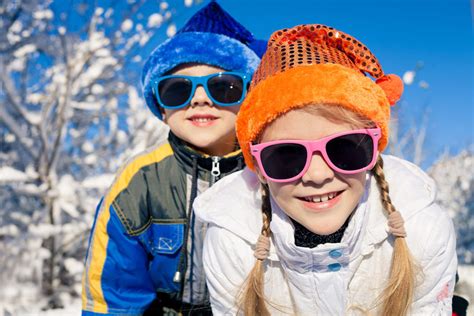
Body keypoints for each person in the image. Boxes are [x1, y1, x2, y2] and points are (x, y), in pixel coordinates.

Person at [194, 24, 458, 315]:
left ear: (374, 148)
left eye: (344, 149)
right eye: (285, 156)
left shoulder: (422, 227)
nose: (317, 175)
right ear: (258, 167)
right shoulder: (233, 239)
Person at [81, 2, 265, 315]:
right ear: (162, 109)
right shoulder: (140, 181)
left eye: (224, 86)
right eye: (177, 90)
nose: (200, 98)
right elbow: (115, 294)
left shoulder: (275, 168)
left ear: (248, 97)